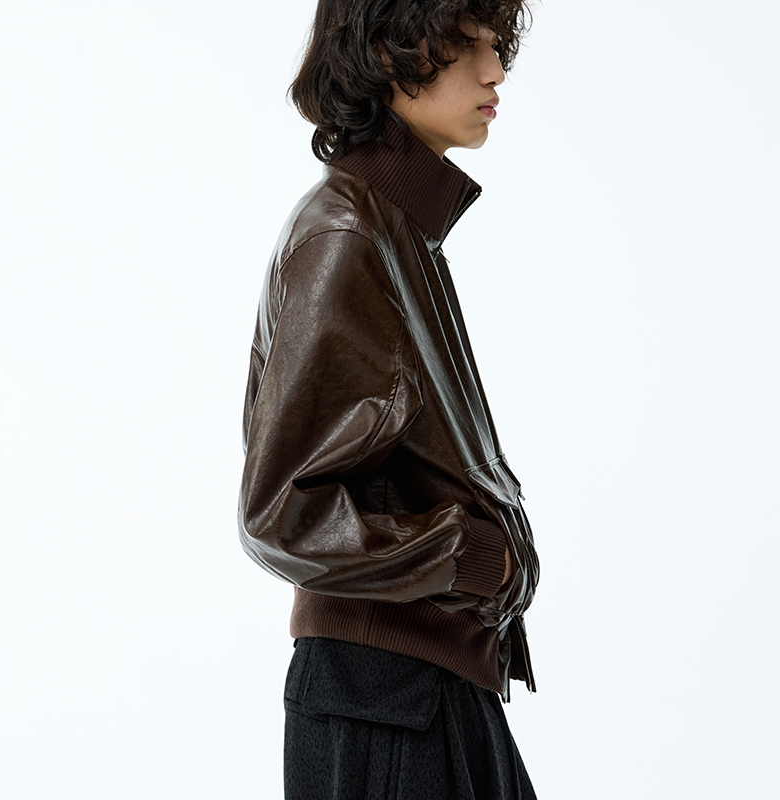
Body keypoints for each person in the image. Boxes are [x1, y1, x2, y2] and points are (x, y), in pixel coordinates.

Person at [238, 1, 540, 797]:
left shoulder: (395, 230)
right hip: (387, 701)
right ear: (387, 54)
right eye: (465, 46)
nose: (495, 71)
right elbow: (279, 511)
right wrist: (471, 556)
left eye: (496, 45)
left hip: (420, 691)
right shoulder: (346, 237)